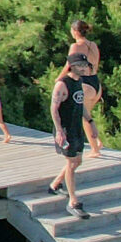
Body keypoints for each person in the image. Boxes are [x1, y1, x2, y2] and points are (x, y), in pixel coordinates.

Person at [46, 55, 97, 219]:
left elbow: (80, 105)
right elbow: (54, 109)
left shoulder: (78, 83)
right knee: (71, 162)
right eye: (79, 65)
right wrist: (59, 131)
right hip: (66, 130)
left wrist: (90, 121)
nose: (83, 68)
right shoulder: (62, 84)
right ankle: (73, 202)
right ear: (71, 66)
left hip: (77, 128)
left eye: (84, 65)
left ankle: (55, 185)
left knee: (77, 161)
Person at [66, 21, 107, 156]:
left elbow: (68, 65)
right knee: (87, 115)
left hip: (85, 84)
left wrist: (60, 79)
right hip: (95, 82)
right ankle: (98, 142)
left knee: (84, 117)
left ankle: (95, 150)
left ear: (76, 32)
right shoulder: (93, 45)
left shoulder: (76, 46)